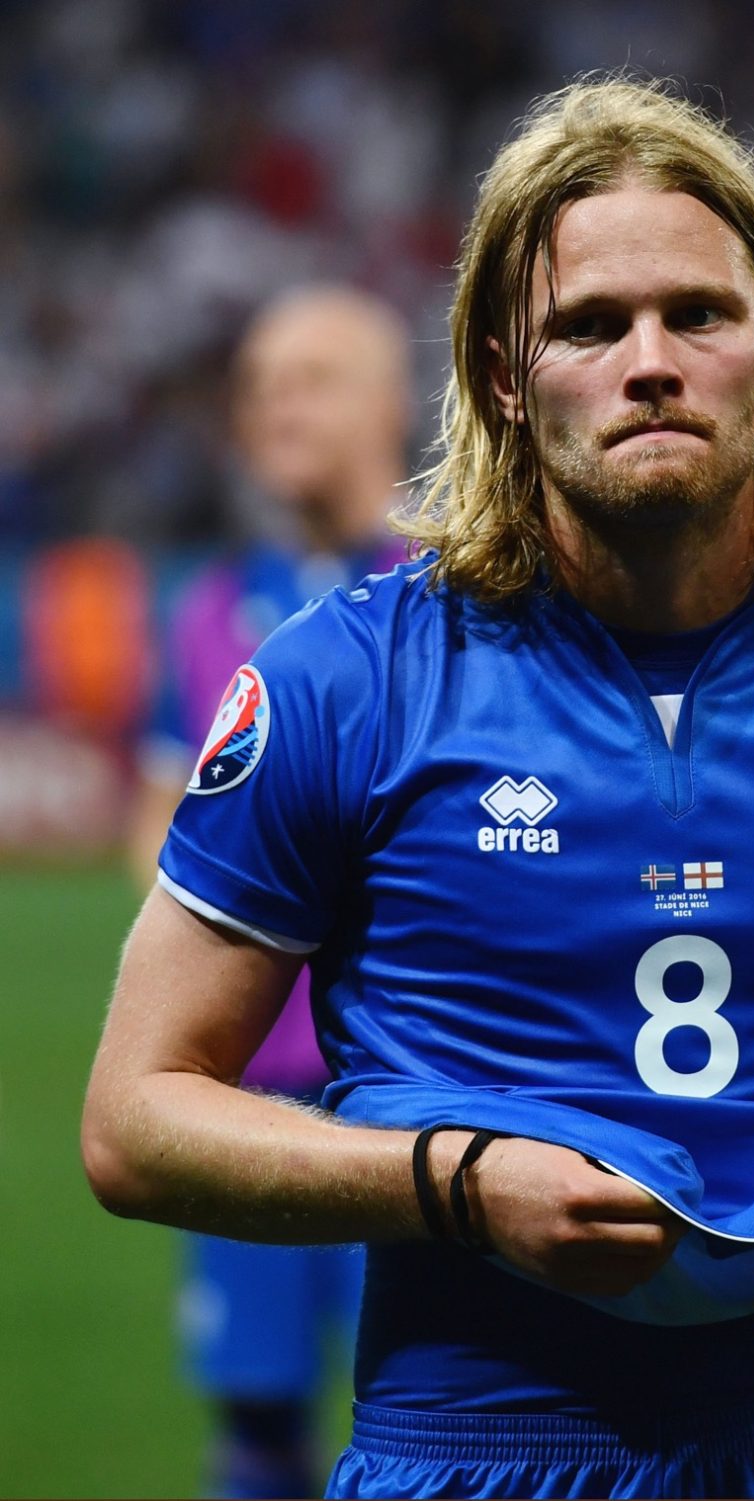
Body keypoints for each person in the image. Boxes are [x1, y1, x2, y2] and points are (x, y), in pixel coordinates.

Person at [83, 78, 754, 1501]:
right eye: (590, 325)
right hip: (464, 1454)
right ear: (505, 375)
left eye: (699, 314)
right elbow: (133, 1119)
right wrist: (456, 1184)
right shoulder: (348, 680)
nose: (651, 362)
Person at [128, 284, 414, 1500]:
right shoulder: (207, 609)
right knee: (255, 1430)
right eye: (258, 388)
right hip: (241, 1099)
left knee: (436, 1421)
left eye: (311, 379)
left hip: (409, 1100)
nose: (275, 408)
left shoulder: (458, 595)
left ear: (391, 404)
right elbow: (154, 829)